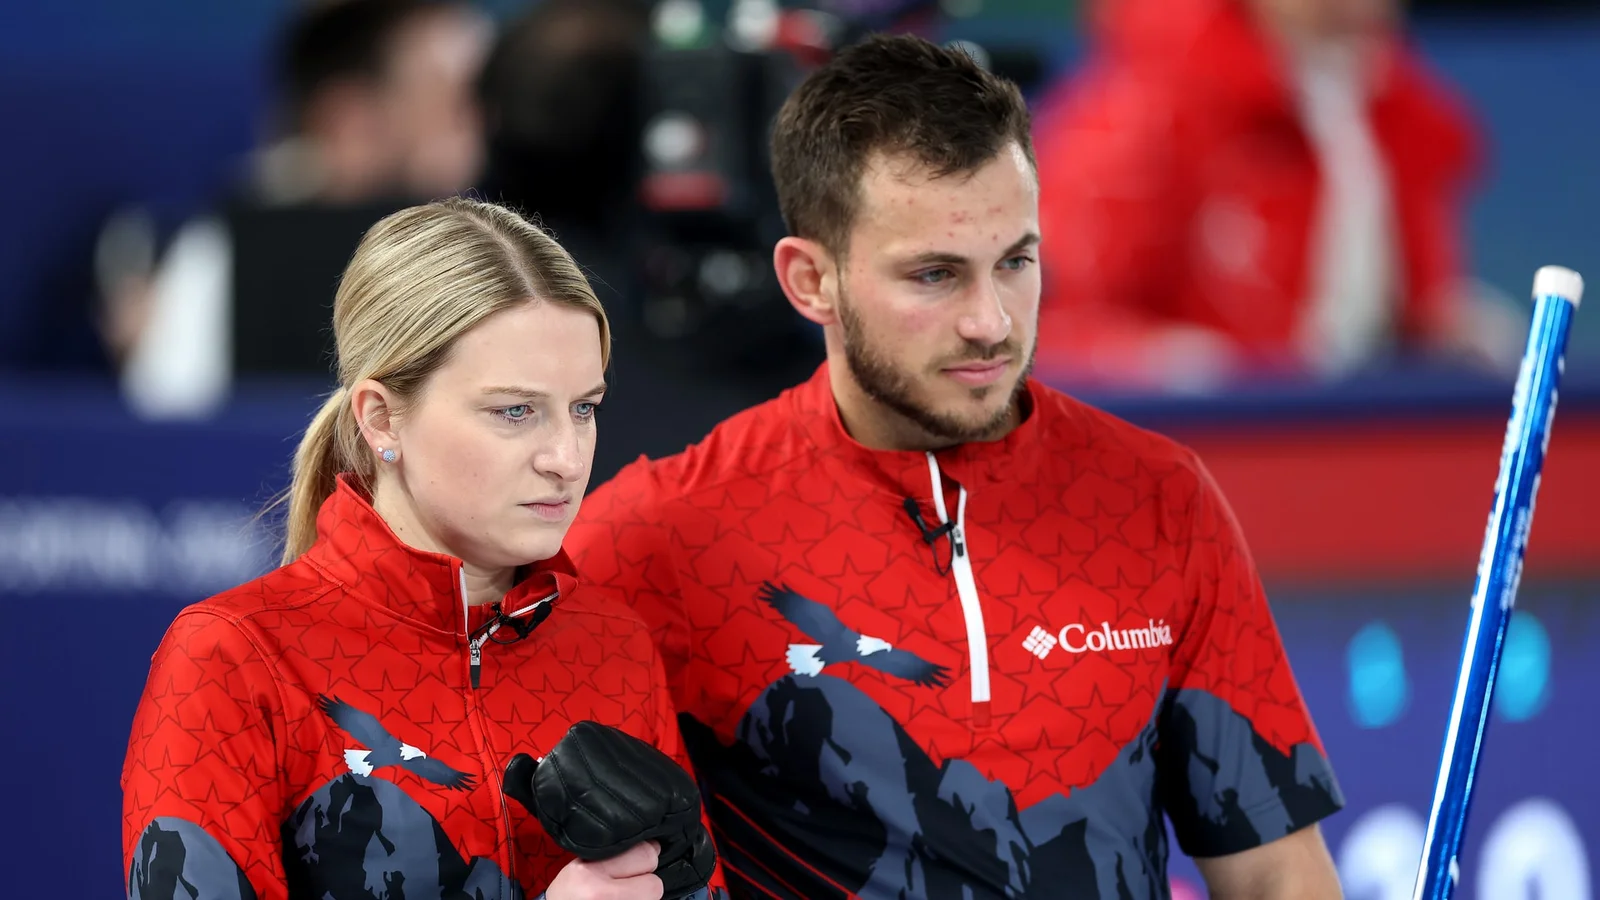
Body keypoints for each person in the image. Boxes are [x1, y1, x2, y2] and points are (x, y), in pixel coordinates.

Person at [563, 35, 1345, 899]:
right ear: (810, 280)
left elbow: (1274, 869)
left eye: (1016, 262)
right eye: (935, 275)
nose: (991, 322)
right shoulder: (651, 537)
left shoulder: (1161, 498)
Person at [120, 198, 726, 900]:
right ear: (382, 417)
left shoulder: (613, 642)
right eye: (515, 411)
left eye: (584, 407)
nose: (566, 456)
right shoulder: (232, 660)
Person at [1029, 0, 1519, 389]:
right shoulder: (1150, 102)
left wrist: (1450, 334)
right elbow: (1045, 326)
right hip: (1208, 466)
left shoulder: (1397, 109)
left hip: (1349, 456)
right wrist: (1188, 373)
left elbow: (1405, 316)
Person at [115, 0, 494, 420]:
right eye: (455, 102)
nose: (484, 124)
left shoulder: (512, 252)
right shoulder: (222, 252)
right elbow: (168, 439)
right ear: (350, 121)